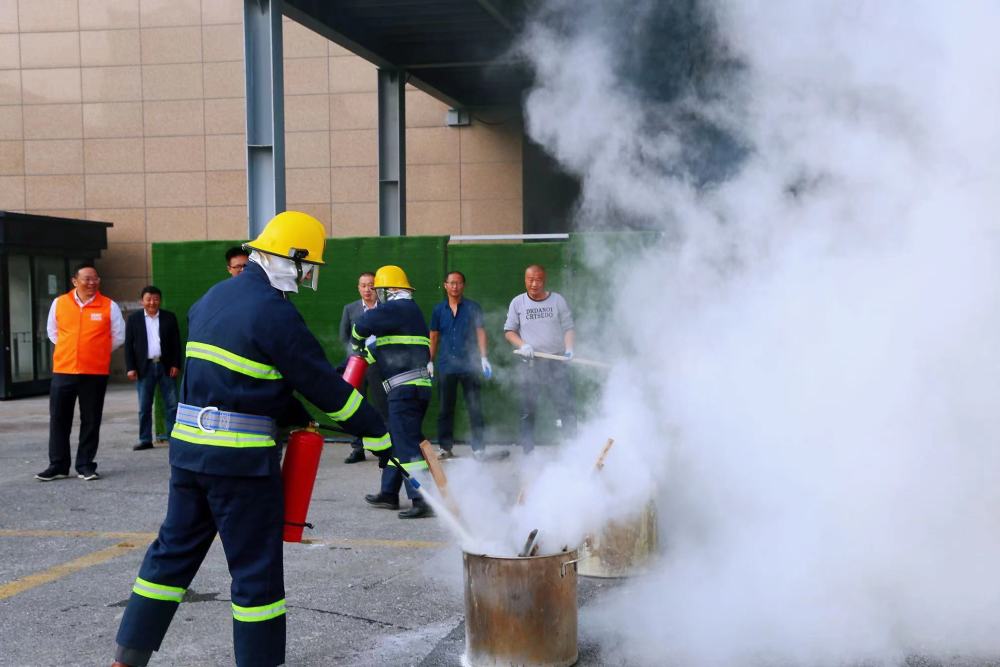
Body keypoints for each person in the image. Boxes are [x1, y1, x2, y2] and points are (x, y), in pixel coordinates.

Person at [111, 212, 392, 667]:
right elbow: (326, 388)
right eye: (305, 266)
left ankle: (127, 658)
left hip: (189, 458)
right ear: (291, 258)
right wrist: (379, 433)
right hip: (241, 467)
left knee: (169, 560)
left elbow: (245, 378)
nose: (305, 276)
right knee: (255, 578)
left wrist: (296, 417)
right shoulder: (275, 313)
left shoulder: (211, 299)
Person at [355, 265, 434, 519]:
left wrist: (356, 338)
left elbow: (364, 323)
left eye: (380, 290)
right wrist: (353, 362)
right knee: (398, 440)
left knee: (407, 446)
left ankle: (422, 499)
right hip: (413, 388)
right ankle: (389, 493)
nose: (378, 295)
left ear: (390, 290)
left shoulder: (398, 308)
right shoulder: (408, 316)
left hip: (405, 390)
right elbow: (380, 348)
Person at [35, 263, 125, 482]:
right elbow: (52, 332)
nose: (92, 283)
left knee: (91, 419)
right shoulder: (59, 303)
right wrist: (72, 351)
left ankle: (85, 465)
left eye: (95, 279)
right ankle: (57, 465)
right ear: (75, 281)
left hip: (94, 372)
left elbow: (118, 336)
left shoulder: (109, 306)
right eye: (87, 279)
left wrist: (94, 351)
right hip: (64, 370)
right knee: (59, 418)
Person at [503, 264, 576, 453]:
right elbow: (509, 332)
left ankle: (573, 448)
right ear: (525, 280)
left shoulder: (557, 300)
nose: (534, 284)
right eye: (530, 279)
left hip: (557, 362)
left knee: (565, 406)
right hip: (531, 364)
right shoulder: (517, 303)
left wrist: (569, 349)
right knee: (528, 410)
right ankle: (528, 452)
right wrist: (523, 345)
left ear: (544, 280)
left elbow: (568, 327)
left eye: (538, 279)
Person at [428, 271, 495, 460]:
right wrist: (430, 361)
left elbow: (481, 332)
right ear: (445, 285)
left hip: (470, 365)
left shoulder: (473, 307)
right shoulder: (438, 310)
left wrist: (483, 358)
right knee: (444, 409)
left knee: (474, 407)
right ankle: (445, 448)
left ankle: (479, 448)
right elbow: (433, 336)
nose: (455, 286)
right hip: (446, 366)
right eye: (451, 283)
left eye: (458, 283)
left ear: (463, 285)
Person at [337, 271, 388, 464]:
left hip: (379, 364)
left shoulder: (385, 309)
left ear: (378, 288)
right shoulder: (350, 309)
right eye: (363, 285)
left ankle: (385, 450)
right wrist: (354, 356)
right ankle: (358, 448)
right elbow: (344, 337)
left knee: (383, 406)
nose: (367, 289)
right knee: (356, 408)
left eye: (371, 285)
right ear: (358, 288)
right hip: (356, 365)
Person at [124, 285, 181, 451]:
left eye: (155, 299)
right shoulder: (134, 319)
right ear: (142, 301)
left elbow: (176, 344)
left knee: (172, 404)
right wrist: (130, 367)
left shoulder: (169, 317)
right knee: (144, 406)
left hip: (165, 366)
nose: (152, 302)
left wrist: (176, 364)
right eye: (148, 299)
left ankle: (173, 437)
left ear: (160, 300)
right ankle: (145, 439)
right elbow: (128, 346)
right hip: (144, 367)